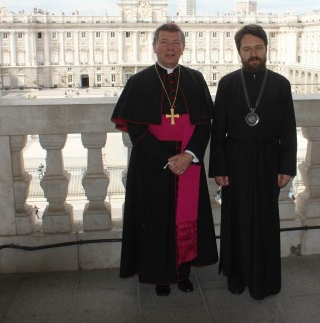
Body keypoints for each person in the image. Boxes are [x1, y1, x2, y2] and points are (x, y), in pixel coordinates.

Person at [111, 22, 218, 296]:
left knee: (186, 219)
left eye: (175, 42)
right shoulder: (139, 82)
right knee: (155, 221)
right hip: (152, 165)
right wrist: (168, 160)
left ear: (183, 47)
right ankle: (159, 275)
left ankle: (182, 272)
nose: (170, 48)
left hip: (188, 163)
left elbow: (205, 123)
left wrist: (189, 156)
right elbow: (136, 129)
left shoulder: (195, 79)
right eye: (164, 42)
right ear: (154, 46)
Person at [209, 24, 297, 300]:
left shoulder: (281, 84)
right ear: (239, 52)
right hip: (236, 161)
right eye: (247, 49)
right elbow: (218, 130)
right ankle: (238, 277)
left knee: (265, 221)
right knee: (236, 219)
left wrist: (286, 166)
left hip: (269, 161)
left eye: (258, 47)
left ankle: (265, 280)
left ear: (266, 49)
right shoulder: (228, 83)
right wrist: (220, 167)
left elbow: (288, 128)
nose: (253, 53)